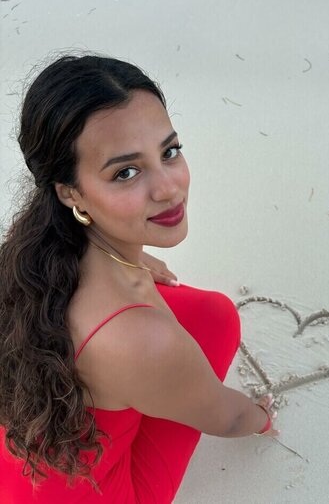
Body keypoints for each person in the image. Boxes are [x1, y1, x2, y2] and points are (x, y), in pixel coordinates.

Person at [0, 54, 279, 503]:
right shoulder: (140, 339)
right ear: (70, 192)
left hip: (25, 452)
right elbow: (227, 419)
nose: (169, 188)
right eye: (125, 172)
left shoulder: (27, 256)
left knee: (209, 315)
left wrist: (131, 257)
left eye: (169, 152)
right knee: (216, 322)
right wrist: (261, 416)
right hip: (91, 492)